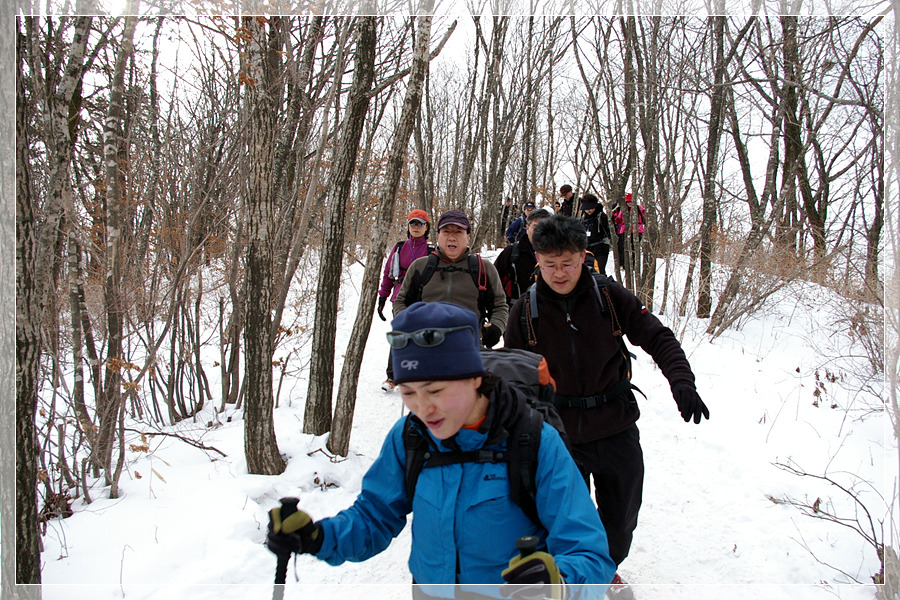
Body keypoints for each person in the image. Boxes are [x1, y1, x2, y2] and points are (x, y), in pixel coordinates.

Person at [265, 301, 616, 599]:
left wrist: (557, 584)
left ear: (475, 377)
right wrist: (317, 537)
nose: (423, 408)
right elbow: (375, 516)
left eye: (435, 391)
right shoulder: (410, 437)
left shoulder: (534, 441)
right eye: (409, 393)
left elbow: (588, 551)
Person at [504, 215, 709, 596]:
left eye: (568, 262)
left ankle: (606, 564)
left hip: (616, 428)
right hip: (561, 436)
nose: (559, 272)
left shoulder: (609, 296)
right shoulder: (524, 312)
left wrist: (682, 381)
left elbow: (658, 337)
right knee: (567, 522)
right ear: (538, 259)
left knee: (621, 522)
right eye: (550, 264)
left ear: (583, 255)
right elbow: (513, 377)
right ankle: (583, 580)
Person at [395, 209, 509, 349]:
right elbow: (401, 302)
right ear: (437, 236)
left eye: (458, 232)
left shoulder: (483, 269)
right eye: (446, 232)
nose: (452, 237)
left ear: (468, 237)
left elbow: (500, 306)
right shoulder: (420, 267)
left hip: (469, 349)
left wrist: (496, 328)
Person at [377, 209, 434, 391]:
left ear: (427, 228)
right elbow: (388, 274)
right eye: (413, 223)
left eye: (420, 224)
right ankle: (392, 377)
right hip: (401, 296)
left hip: (425, 297)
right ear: (408, 226)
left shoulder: (433, 250)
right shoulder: (400, 247)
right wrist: (383, 297)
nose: (416, 227)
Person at [493, 208, 552, 304]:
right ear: (527, 228)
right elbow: (493, 283)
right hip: (516, 312)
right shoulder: (512, 252)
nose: (540, 233)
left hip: (550, 312)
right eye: (536, 228)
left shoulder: (559, 254)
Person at [580, 193, 612, 276]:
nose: (588, 210)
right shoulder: (583, 218)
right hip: (587, 248)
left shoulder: (602, 217)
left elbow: (609, 232)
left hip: (601, 248)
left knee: (600, 271)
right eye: (586, 209)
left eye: (591, 208)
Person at [612, 193, 645, 272]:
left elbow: (644, 218)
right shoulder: (623, 209)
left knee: (634, 248)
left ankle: (633, 265)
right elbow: (618, 219)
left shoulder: (639, 209)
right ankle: (622, 264)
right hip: (624, 230)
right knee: (622, 247)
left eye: (631, 201)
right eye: (628, 201)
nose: (630, 203)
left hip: (637, 230)